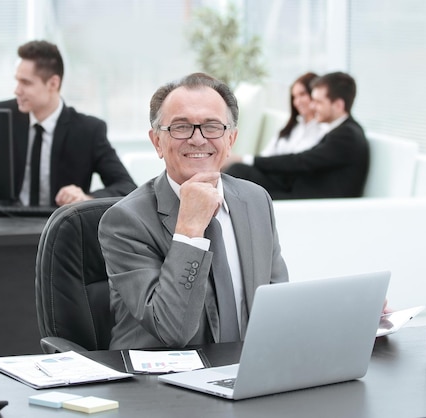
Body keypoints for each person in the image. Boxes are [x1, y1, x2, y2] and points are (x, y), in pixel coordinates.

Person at [98, 73, 289, 350]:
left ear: (231, 138)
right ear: (157, 142)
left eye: (212, 127)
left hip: (245, 373)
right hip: (158, 384)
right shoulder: (124, 221)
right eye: (181, 127)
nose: (198, 139)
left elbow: (277, 304)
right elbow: (171, 329)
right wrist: (189, 230)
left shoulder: (256, 200)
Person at [0, 40, 136, 207]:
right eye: (17, 81)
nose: (17, 90)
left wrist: (86, 198)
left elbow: (127, 187)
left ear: (53, 83)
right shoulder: (3, 116)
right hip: (5, 223)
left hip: (60, 227)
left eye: (26, 83)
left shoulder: (88, 130)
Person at [225, 71, 369, 199]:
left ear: (338, 105)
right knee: (239, 172)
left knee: (246, 190)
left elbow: (302, 161)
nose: (313, 106)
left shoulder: (347, 135)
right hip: (297, 189)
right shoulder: (342, 131)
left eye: (318, 102)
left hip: (310, 200)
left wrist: (249, 160)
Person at [225, 72, 327, 167]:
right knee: (234, 168)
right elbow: (266, 156)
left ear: (314, 94)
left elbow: (297, 162)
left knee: (237, 169)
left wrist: (241, 159)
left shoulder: (323, 131)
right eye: (294, 97)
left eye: (302, 94)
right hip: (270, 173)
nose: (297, 102)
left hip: (288, 180)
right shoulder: (291, 127)